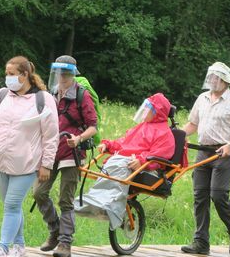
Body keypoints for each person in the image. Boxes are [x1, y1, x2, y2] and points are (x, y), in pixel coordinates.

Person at [0, 56, 59, 257]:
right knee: (10, 206)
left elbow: (51, 136)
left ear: (25, 76)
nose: (8, 78)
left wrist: (47, 165)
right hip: (1, 161)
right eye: (6, 74)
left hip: (27, 163)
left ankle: (2, 248)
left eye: (12, 74)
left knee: (12, 205)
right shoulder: (1, 95)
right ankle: (19, 247)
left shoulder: (43, 99)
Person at [75, 93, 175, 229]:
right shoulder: (142, 127)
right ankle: (96, 200)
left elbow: (161, 154)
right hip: (128, 161)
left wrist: (142, 160)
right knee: (111, 165)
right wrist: (108, 145)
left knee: (119, 165)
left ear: (157, 112)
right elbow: (125, 143)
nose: (145, 111)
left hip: (146, 167)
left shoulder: (164, 133)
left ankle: (112, 208)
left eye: (148, 109)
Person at [181, 62, 230, 255]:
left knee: (218, 195)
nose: (212, 80)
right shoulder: (202, 98)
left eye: (216, 77)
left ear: (225, 81)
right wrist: (178, 136)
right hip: (203, 151)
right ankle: (201, 242)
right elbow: (193, 124)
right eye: (210, 77)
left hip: (223, 152)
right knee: (199, 196)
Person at [33, 55, 97, 257]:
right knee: (39, 193)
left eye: (65, 73)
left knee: (65, 200)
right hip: (51, 151)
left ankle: (65, 243)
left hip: (72, 153)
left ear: (72, 74)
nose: (61, 77)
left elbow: (93, 127)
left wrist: (78, 139)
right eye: (59, 73)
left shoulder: (82, 95)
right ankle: (55, 230)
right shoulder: (50, 94)